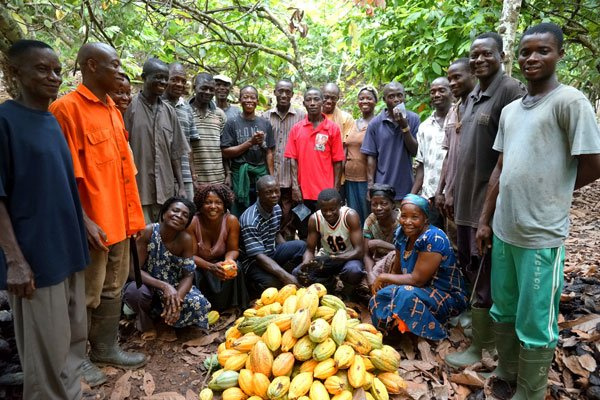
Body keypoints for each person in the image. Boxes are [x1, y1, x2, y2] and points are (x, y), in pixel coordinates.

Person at [475, 23, 600, 399]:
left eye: (542, 51)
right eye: (526, 52)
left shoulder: (570, 102)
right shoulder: (512, 110)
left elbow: (593, 163)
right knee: (505, 307)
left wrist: (556, 189)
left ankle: (530, 391)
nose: (532, 58)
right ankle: (506, 371)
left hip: (540, 233)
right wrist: (485, 220)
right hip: (504, 228)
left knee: (535, 320)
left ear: (559, 54)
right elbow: (500, 168)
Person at [50, 42, 147, 386]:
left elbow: (123, 170)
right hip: (91, 225)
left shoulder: (111, 110)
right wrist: (84, 220)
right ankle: (76, 360)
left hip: (119, 220)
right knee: (84, 295)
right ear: (92, 65)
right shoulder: (66, 110)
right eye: (115, 64)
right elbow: (62, 177)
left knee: (112, 288)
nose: (121, 72)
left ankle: (106, 348)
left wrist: (133, 219)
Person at [0, 39, 89, 400]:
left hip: (68, 248)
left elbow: (61, 185)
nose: (53, 77)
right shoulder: (6, 121)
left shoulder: (50, 121)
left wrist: (85, 224)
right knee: (46, 349)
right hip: (36, 257)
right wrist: (15, 261)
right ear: (15, 72)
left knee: (72, 338)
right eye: (42, 69)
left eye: (56, 70)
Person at [444, 32, 526, 369]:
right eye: (474, 55)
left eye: (486, 54)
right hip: (465, 199)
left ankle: (486, 346)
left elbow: (509, 154)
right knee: (470, 263)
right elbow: (461, 153)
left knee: (487, 271)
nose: (479, 60)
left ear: (501, 56)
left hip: (487, 202)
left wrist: (488, 215)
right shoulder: (471, 95)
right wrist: (449, 189)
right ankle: (479, 334)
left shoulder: (509, 90)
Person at [369, 194, 468, 340]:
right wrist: (385, 287)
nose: (407, 222)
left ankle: (438, 333)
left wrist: (383, 277)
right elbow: (396, 269)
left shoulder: (434, 239)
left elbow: (417, 280)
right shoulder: (401, 234)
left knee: (404, 294)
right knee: (380, 297)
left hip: (445, 295)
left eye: (414, 217)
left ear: (425, 219)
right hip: (415, 290)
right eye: (404, 216)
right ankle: (394, 332)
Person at [123, 197, 211, 340]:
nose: (179, 216)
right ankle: (146, 323)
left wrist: (177, 298)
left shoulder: (186, 240)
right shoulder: (147, 232)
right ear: (164, 213)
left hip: (174, 286)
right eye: (175, 210)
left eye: (185, 215)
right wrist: (164, 286)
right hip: (148, 284)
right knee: (135, 292)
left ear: (186, 223)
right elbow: (134, 270)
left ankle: (168, 323)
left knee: (198, 302)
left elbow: (188, 275)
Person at [124, 57, 190, 223]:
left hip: (165, 190)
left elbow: (175, 153)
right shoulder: (129, 108)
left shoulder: (169, 112)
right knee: (141, 240)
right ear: (143, 77)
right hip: (140, 189)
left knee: (163, 239)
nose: (163, 82)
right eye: (157, 77)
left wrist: (181, 186)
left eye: (165, 78)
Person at [284, 88, 345, 238]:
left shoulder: (332, 129)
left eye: (316, 99)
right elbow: (293, 160)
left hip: (325, 193)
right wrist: (295, 187)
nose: (312, 103)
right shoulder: (297, 129)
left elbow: (338, 161)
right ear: (304, 103)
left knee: (326, 232)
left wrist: (335, 189)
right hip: (303, 192)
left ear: (322, 102)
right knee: (305, 231)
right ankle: (308, 259)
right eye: (308, 100)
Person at [239, 176, 306, 295]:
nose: (274, 195)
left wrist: (287, 253)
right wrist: (284, 276)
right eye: (269, 192)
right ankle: (253, 288)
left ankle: (293, 275)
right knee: (275, 285)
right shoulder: (250, 220)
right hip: (254, 262)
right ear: (259, 194)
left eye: (277, 191)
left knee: (301, 246)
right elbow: (258, 257)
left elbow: (276, 233)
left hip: (271, 253)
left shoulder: (276, 208)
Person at [188, 184, 249, 311]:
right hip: (200, 266)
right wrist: (210, 267)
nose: (213, 207)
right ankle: (201, 310)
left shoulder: (231, 221)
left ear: (224, 206)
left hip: (220, 263)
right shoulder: (193, 222)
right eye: (208, 202)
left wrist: (228, 261)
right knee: (191, 272)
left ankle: (232, 307)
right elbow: (190, 256)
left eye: (218, 203)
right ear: (201, 205)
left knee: (236, 267)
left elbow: (233, 249)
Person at [295, 189, 365, 296]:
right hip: (327, 259)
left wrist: (333, 258)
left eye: (332, 209)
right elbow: (310, 250)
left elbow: (359, 251)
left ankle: (348, 294)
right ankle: (329, 284)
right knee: (298, 273)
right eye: (324, 210)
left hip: (349, 257)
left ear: (340, 205)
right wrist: (305, 264)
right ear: (319, 208)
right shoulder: (315, 219)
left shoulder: (350, 216)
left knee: (353, 270)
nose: (328, 214)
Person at [360, 82, 420, 203]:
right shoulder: (375, 123)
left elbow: (414, 151)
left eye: (399, 95)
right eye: (391, 96)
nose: (396, 100)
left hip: (406, 188)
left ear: (404, 97)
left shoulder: (413, 119)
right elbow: (371, 157)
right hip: (382, 189)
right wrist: (370, 186)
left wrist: (405, 127)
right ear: (384, 99)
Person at [435, 58, 477, 228]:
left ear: (473, 74)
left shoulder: (480, 109)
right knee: (456, 245)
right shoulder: (453, 111)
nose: (452, 83)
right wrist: (441, 191)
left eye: (457, 77)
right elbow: (448, 156)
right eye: (450, 79)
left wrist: (451, 191)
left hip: (471, 194)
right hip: (451, 196)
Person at [221, 85, 275, 216]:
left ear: (257, 101)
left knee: (260, 212)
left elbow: (269, 152)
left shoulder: (265, 123)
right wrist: (250, 142)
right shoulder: (232, 123)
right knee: (239, 213)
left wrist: (271, 177)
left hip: (260, 176)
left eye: (252, 97)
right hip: (239, 176)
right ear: (240, 100)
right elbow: (225, 152)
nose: (249, 100)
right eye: (245, 97)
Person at [262, 79, 306, 239]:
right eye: (280, 91)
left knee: (290, 216)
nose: (284, 95)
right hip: (271, 176)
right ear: (274, 92)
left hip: (292, 177)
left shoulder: (302, 116)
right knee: (272, 215)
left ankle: (288, 249)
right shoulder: (265, 117)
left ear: (292, 94)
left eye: (288, 92)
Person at [411, 77, 452, 228]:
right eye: (433, 91)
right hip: (430, 198)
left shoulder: (461, 120)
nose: (436, 94)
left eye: (442, 90)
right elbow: (421, 165)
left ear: (451, 92)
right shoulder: (424, 127)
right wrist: (412, 196)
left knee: (455, 244)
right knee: (433, 242)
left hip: (453, 196)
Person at [163, 62, 198, 201]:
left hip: (185, 175)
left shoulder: (187, 109)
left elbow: (189, 146)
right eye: (174, 79)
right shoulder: (157, 104)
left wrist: (193, 175)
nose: (179, 84)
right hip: (163, 176)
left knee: (187, 215)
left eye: (183, 81)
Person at [344, 86, 378, 224]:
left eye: (369, 98)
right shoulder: (353, 123)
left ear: (375, 101)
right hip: (350, 179)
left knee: (368, 216)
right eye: (361, 98)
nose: (365, 101)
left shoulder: (377, 123)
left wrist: (371, 183)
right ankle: (357, 244)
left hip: (366, 179)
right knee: (354, 216)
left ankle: (369, 245)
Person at [189, 73, 228, 185]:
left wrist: (228, 173)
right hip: (196, 181)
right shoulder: (185, 112)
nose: (208, 92)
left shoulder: (220, 114)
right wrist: (193, 177)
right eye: (203, 88)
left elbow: (224, 147)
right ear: (194, 87)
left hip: (218, 179)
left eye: (211, 89)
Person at [363, 184, 400, 289]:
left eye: (383, 204)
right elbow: (366, 254)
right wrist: (370, 273)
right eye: (374, 204)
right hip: (378, 261)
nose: (378, 208)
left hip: (398, 262)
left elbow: (406, 252)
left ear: (393, 204)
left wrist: (380, 243)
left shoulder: (402, 221)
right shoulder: (370, 221)